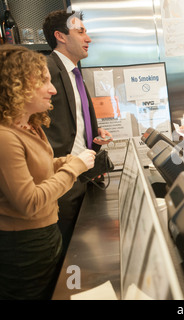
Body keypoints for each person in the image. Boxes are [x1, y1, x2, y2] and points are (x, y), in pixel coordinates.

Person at [0, 45, 96, 299]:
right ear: (15, 85)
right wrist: (73, 169)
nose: (52, 89)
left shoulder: (30, 125)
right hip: (24, 246)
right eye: (43, 81)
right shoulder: (5, 138)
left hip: (46, 234)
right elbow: (29, 202)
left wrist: (65, 162)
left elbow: (39, 169)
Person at [42, 10, 113, 256]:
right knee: (68, 253)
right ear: (60, 36)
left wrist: (93, 132)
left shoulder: (75, 71)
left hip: (85, 175)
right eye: (80, 31)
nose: (88, 38)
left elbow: (71, 119)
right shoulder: (46, 70)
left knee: (83, 248)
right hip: (61, 180)